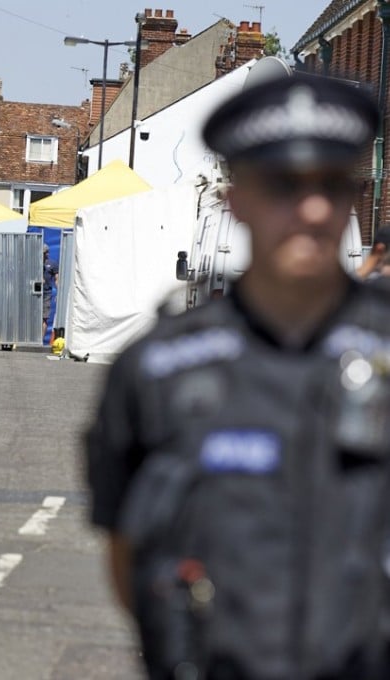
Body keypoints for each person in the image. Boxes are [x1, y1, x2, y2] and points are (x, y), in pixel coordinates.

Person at [85, 73, 390, 680]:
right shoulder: (158, 371)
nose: (311, 208)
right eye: (283, 185)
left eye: (332, 185)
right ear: (235, 199)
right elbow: (129, 555)